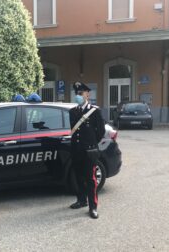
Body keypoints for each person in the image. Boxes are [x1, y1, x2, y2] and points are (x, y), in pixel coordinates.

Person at [69, 81, 105, 219]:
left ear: (87, 94)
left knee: (90, 179)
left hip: (89, 151)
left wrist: (91, 144)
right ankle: (81, 200)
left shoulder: (94, 111)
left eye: (80, 93)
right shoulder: (72, 112)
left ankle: (93, 207)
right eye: (76, 93)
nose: (78, 95)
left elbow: (100, 131)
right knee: (78, 177)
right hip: (76, 150)